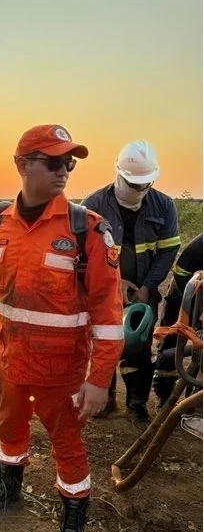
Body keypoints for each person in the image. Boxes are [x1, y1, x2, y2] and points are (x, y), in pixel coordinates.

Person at [0, 124, 123, 532]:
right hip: (11, 365)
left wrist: (99, 380)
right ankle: (8, 491)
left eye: (69, 163)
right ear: (21, 164)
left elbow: (109, 315)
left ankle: (73, 529)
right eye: (52, 162)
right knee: (9, 435)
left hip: (62, 375)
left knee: (68, 452)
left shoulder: (87, 230)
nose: (64, 171)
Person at [81, 141, 181, 424]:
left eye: (145, 184)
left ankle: (136, 405)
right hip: (103, 293)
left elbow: (168, 251)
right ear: (118, 173)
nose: (140, 190)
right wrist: (116, 283)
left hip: (143, 293)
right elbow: (82, 257)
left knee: (138, 347)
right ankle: (106, 398)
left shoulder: (163, 206)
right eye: (134, 184)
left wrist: (148, 287)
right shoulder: (93, 206)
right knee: (104, 346)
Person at [152, 233, 203, 406]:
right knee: (171, 341)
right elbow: (181, 272)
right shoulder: (200, 244)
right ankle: (164, 394)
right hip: (183, 292)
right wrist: (197, 307)